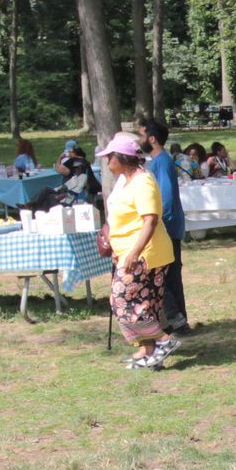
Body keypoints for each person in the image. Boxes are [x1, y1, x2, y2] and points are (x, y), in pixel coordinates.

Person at [100, 132, 177, 370]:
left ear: (121, 157)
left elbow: (150, 221)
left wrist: (133, 253)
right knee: (146, 304)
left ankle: (165, 340)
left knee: (121, 300)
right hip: (128, 252)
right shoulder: (126, 180)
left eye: (110, 156)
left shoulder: (143, 181)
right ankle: (149, 352)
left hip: (146, 254)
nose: (106, 160)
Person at [141, 119, 190, 335]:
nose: (138, 139)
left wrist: (159, 225)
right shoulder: (159, 161)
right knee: (171, 276)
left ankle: (178, 322)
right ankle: (180, 323)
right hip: (169, 225)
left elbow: (167, 198)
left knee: (166, 276)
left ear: (152, 139)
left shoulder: (161, 161)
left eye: (141, 135)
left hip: (168, 227)